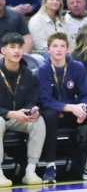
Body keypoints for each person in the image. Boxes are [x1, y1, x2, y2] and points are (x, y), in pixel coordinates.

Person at [37, 33, 87, 181]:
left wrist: (83, 107)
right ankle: (50, 167)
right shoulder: (43, 70)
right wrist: (71, 107)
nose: (59, 50)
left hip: (73, 114)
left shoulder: (77, 67)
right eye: (55, 46)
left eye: (62, 46)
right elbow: (45, 100)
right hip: (53, 113)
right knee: (49, 115)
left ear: (68, 49)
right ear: (48, 49)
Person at [0, 32, 45, 185]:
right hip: (3, 117)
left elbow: (32, 100)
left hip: (19, 117)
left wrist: (32, 111)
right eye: (12, 47)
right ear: (3, 50)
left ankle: (30, 171)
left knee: (39, 122)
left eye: (20, 47)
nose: (17, 51)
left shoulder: (29, 75)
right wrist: (10, 113)